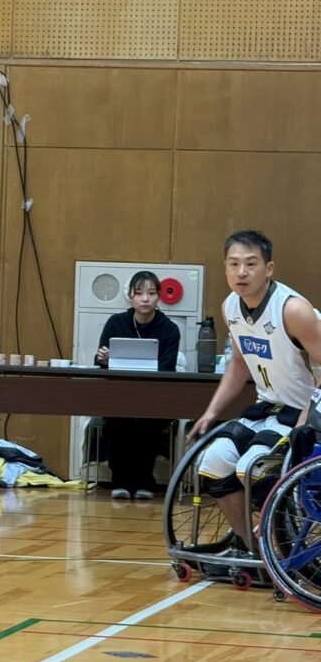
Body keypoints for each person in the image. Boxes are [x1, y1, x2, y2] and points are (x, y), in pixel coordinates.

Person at [189, 230, 321, 565]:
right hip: (269, 408)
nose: (241, 272)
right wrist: (211, 412)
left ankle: (279, 545)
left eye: (250, 264)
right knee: (212, 462)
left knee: (254, 467)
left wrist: (305, 422)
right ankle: (250, 548)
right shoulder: (231, 306)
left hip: (307, 408)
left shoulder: (293, 310)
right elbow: (238, 364)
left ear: (269, 268)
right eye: (233, 264)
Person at [93, 271, 181, 500]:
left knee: (148, 422)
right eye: (139, 293)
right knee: (118, 419)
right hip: (119, 393)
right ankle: (119, 481)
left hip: (154, 395)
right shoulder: (116, 322)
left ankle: (144, 481)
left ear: (158, 296)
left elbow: (167, 368)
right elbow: (100, 361)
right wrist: (103, 358)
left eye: (151, 293)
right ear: (130, 296)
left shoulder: (169, 328)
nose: (145, 299)